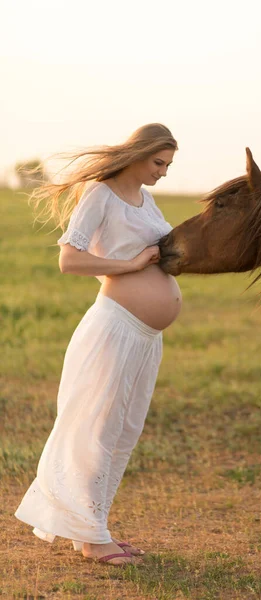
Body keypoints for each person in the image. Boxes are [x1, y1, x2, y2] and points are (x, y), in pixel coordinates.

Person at [14, 123, 182, 565]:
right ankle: (91, 539)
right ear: (139, 153)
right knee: (96, 430)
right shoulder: (101, 194)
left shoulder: (146, 199)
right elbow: (69, 259)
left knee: (123, 432)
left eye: (168, 165)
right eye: (158, 162)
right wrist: (128, 266)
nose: (163, 172)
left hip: (146, 335)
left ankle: (95, 527)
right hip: (114, 327)